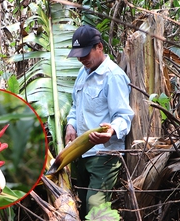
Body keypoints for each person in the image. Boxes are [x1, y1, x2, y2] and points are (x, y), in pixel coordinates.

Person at [65, 24, 134, 220]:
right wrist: (71, 124)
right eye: (78, 54)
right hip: (81, 152)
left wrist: (112, 130)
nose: (81, 58)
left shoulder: (113, 76)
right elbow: (75, 106)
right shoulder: (83, 73)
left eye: (86, 53)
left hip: (104, 154)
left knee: (96, 205)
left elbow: (123, 115)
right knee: (81, 202)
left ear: (100, 47)